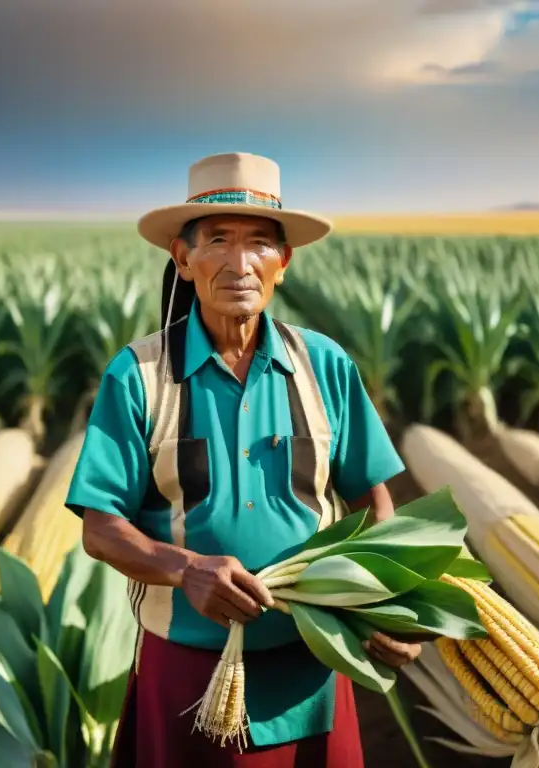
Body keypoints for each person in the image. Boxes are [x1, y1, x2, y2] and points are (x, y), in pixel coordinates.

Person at [65, 152, 420, 767]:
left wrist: (384, 595)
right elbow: (102, 528)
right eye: (219, 241)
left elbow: (372, 495)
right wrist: (185, 569)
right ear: (182, 257)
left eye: (259, 243)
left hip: (313, 657)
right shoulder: (140, 376)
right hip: (187, 670)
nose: (238, 263)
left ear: (285, 262)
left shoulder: (325, 366)